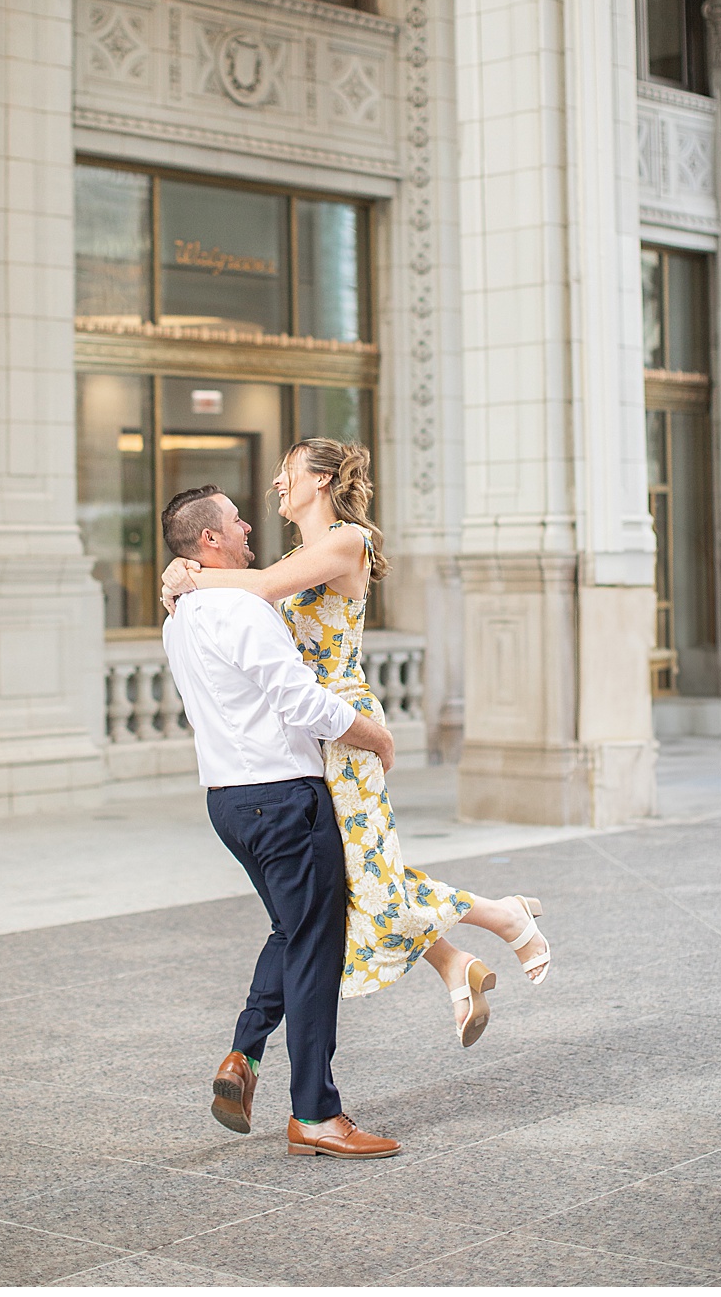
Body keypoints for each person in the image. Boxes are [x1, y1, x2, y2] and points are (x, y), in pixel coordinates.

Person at [162, 440, 552, 1047]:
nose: (275, 486)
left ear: (320, 480)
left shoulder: (346, 541)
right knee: (357, 874)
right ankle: (459, 959)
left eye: (287, 473)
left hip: (343, 721)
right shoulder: (300, 553)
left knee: (366, 870)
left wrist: (190, 573)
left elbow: (261, 587)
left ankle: (500, 918)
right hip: (307, 732)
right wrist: (185, 575)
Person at [159, 483, 404, 1159]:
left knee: (292, 930)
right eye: (235, 520)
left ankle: (244, 1055)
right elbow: (298, 698)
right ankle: (317, 1115)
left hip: (228, 801)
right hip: (283, 796)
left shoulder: (178, 616)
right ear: (210, 541)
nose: (246, 527)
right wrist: (371, 734)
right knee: (314, 947)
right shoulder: (242, 608)